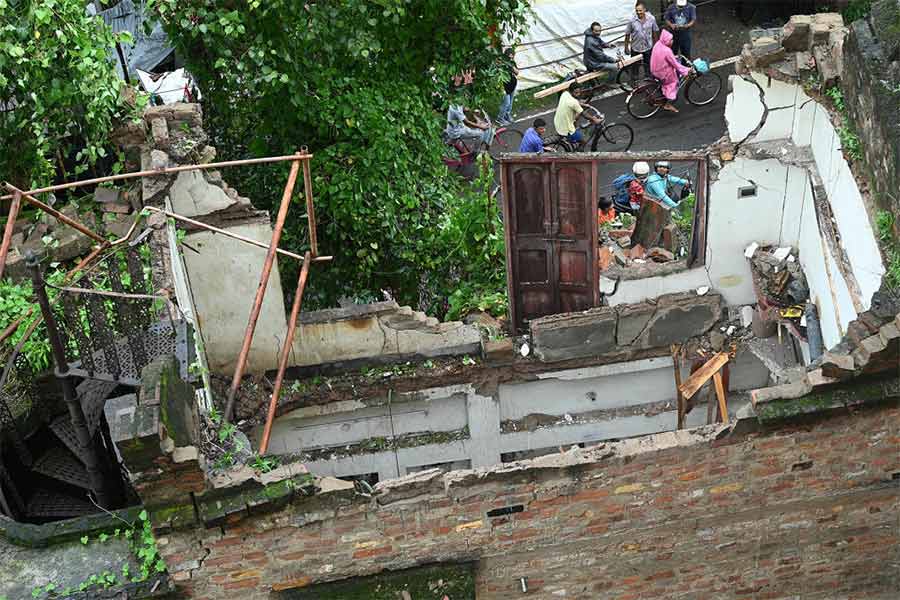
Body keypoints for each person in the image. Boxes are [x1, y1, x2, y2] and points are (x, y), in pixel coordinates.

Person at [650, 29, 692, 113]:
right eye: (671, 40)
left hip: (654, 69)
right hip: (662, 73)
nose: (672, 41)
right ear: (667, 41)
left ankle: (663, 91)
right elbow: (676, 65)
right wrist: (686, 70)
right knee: (674, 82)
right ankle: (667, 103)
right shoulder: (667, 51)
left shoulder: (658, 44)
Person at [624, 2, 660, 81]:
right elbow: (627, 34)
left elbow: (655, 31)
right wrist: (626, 47)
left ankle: (648, 81)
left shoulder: (651, 18)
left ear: (644, 10)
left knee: (648, 65)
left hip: (648, 47)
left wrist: (656, 45)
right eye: (637, 10)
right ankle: (634, 82)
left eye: (640, 10)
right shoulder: (631, 20)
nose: (638, 12)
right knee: (635, 67)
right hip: (636, 48)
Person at [497, 49, 519, 125]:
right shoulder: (501, 64)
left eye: (512, 57)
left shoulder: (512, 63)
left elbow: (517, 73)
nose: (511, 58)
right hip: (504, 87)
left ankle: (507, 115)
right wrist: (503, 63)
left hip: (512, 86)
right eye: (509, 57)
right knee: (506, 103)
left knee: (510, 104)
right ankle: (500, 118)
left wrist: (512, 66)